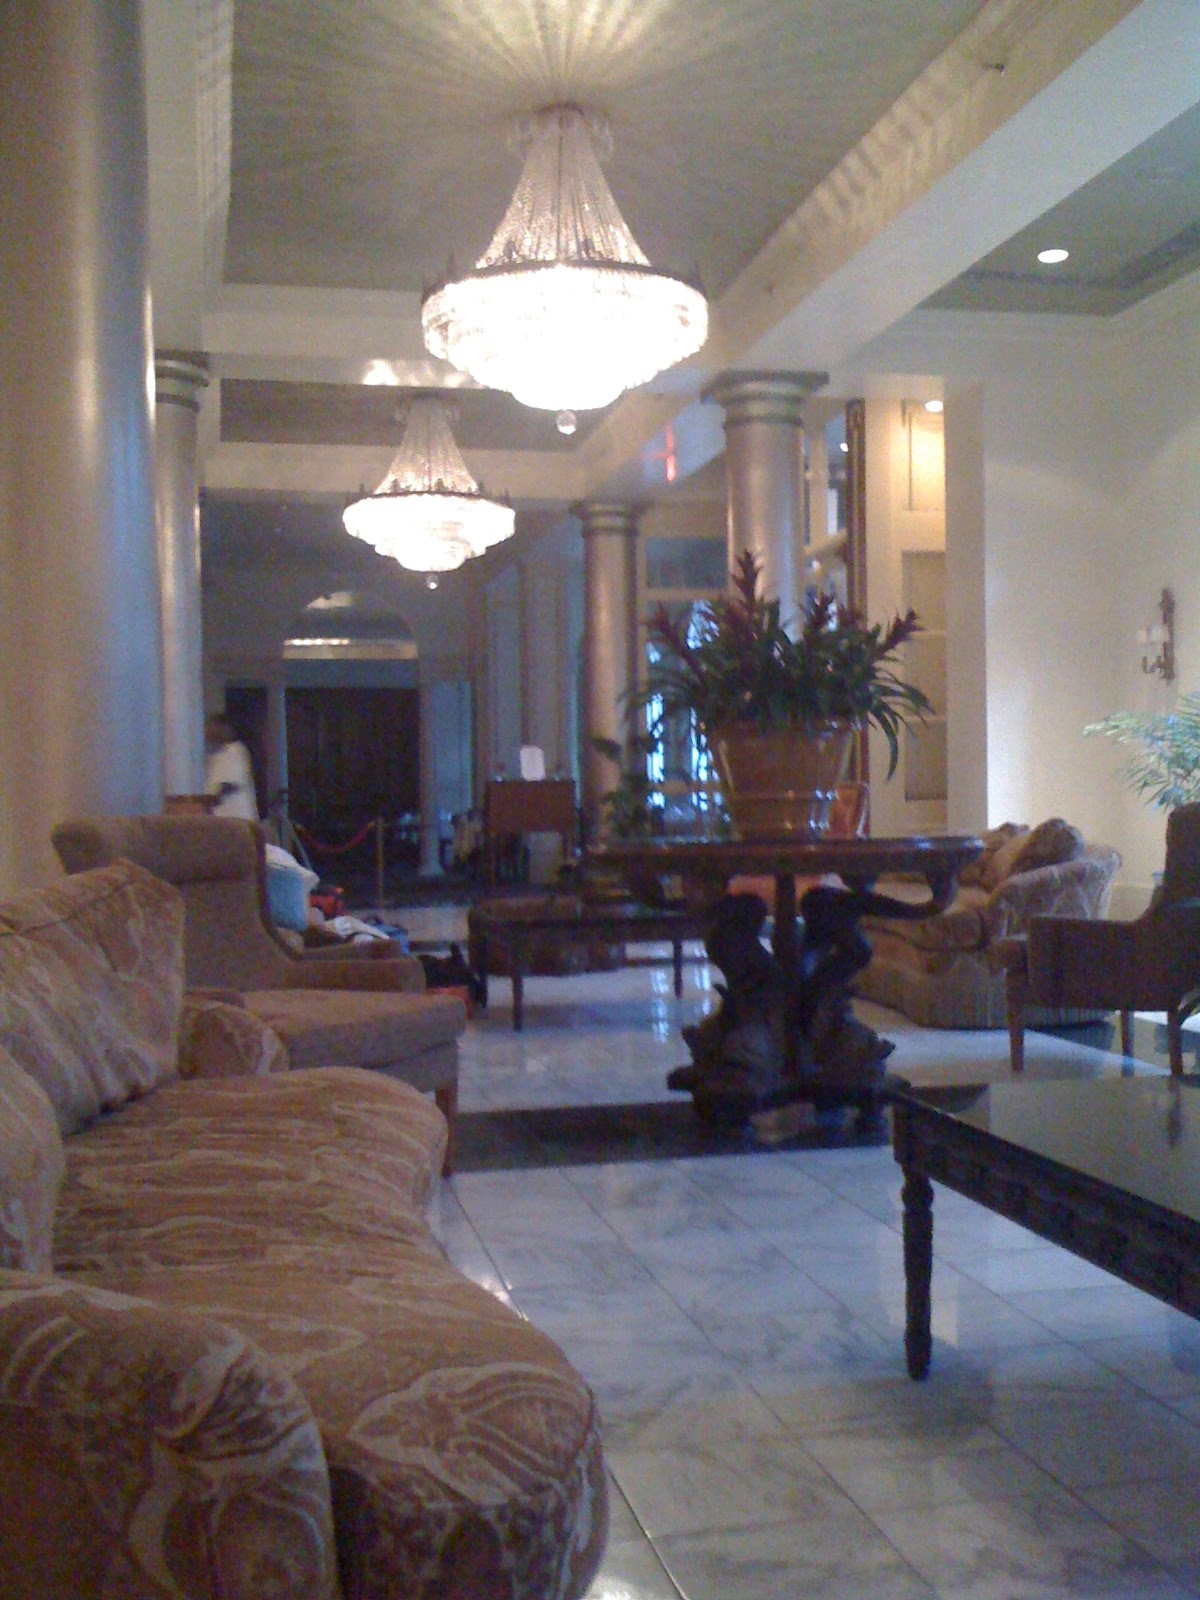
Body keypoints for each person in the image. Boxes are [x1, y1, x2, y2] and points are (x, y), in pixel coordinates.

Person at [203, 714, 259, 821]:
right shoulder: (212, 755)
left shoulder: (234, 750)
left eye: (212, 726)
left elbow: (228, 785)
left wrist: (205, 803)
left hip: (236, 817)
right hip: (222, 818)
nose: (208, 730)